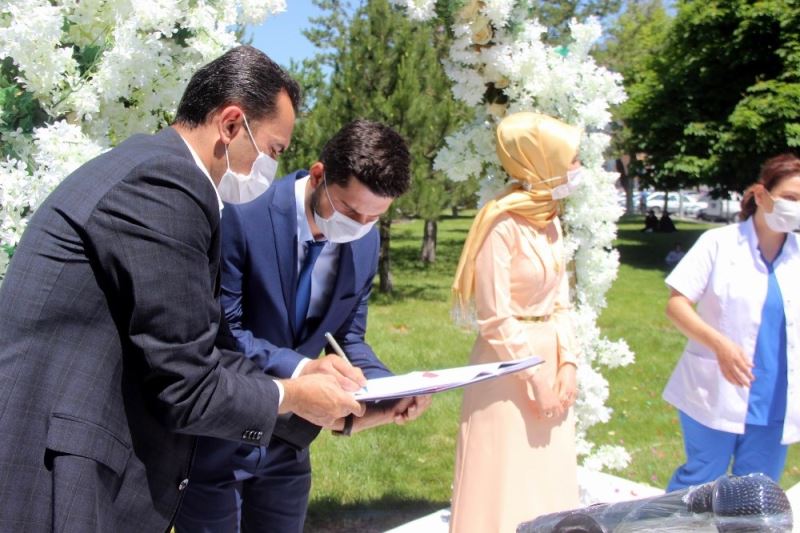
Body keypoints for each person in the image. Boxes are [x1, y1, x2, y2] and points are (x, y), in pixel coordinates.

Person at [0, 46, 365, 533]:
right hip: (59, 472)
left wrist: (312, 381)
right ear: (231, 124)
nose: (273, 168)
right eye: (274, 150)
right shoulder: (166, 185)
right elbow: (187, 385)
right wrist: (296, 397)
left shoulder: (149, 167)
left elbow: (207, 347)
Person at [175, 119, 432, 532]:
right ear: (318, 175)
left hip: (291, 444)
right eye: (350, 210)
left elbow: (348, 337)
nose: (359, 225)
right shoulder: (242, 212)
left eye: (374, 216)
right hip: (218, 439)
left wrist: (391, 389)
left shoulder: (365, 241)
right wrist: (305, 369)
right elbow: (227, 330)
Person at [449, 112, 582, 533]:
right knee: (502, 477)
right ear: (542, 160)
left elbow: (561, 301)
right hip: (507, 367)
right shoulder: (501, 224)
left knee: (546, 474)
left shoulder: (550, 218)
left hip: (550, 360)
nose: (577, 167)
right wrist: (535, 378)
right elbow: (494, 315)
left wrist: (567, 363)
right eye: (570, 158)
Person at [662, 153, 800, 492]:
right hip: (715, 385)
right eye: (790, 197)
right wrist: (720, 345)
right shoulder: (718, 243)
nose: (796, 208)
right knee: (698, 484)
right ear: (761, 195)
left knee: (756, 491)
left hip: (776, 397)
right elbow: (677, 305)